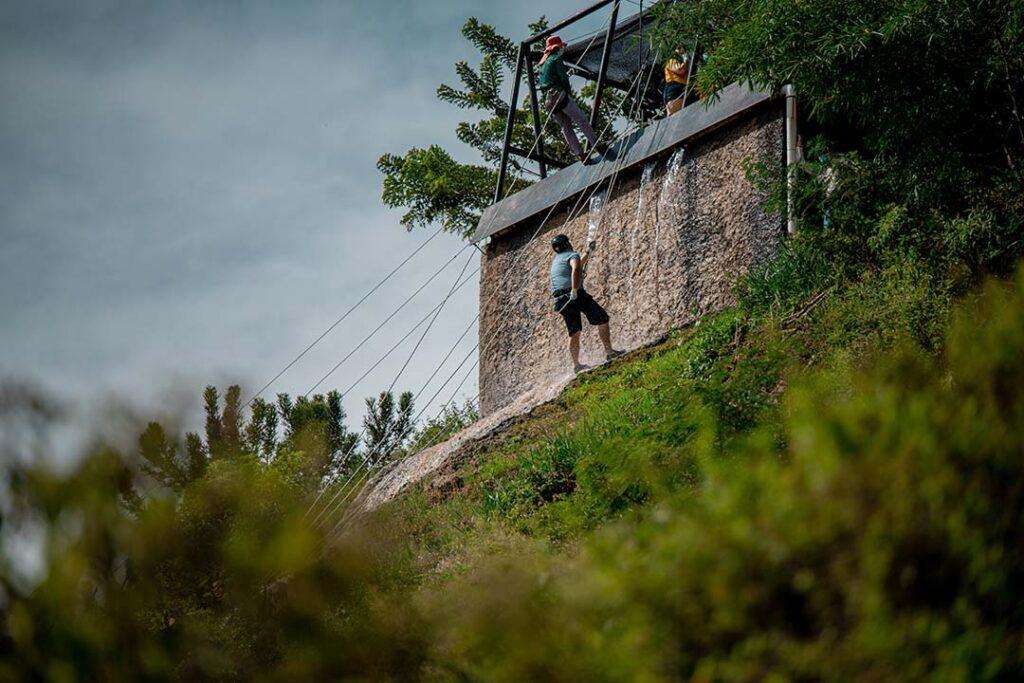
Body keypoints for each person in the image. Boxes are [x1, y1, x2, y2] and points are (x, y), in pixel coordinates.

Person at [549, 233, 622, 372]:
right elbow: (576, 268)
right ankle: (610, 352)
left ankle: (576, 365)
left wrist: (588, 253)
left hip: (560, 300)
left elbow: (576, 265)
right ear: (567, 244)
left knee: (574, 332)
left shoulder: (557, 260)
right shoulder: (572, 254)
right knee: (602, 318)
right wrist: (575, 290)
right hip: (574, 295)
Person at [537, 35, 607, 164]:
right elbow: (563, 79)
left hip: (548, 101)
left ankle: (580, 155)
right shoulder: (556, 58)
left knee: (566, 127)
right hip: (559, 95)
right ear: (557, 48)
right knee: (581, 119)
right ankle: (598, 145)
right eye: (561, 47)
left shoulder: (542, 66)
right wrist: (568, 94)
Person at [663, 49, 693, 116]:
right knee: (675, 114)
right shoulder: (671, 61)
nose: (682, 51)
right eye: (679, 48)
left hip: (681, 87)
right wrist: (686, 60)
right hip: (675, 87)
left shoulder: (681, 62)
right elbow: (680, 70)